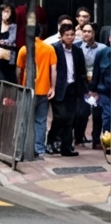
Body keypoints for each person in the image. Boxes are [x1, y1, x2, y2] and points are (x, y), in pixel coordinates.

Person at [18, 34, 57, 159]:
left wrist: (19, 85)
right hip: (44, 90)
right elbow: (54, 69)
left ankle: (23, 147)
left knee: (25, 119)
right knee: (40, 121)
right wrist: (52, 87)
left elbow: (19, 70)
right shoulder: (49, 49)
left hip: (28, 91)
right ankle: (39, 149)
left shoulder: (24, 49)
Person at [50, 22, 86, 156]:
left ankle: (66, 146)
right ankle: (51, 140)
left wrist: (84, 89)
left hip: (72, 87)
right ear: (61, 36)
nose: (70, 37)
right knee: (60, 116)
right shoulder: (55, 49)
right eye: (67, 35)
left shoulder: (77, 50)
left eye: (72, 35)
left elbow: (81, 70)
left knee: (71, 118)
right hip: (58, 88)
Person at [75, 22, 102, 145]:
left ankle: (96, 139)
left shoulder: (103, 49)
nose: (85, 34)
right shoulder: (77, 47)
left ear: (94, 33)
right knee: (82, 112)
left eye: (89, 31)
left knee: (98, 113)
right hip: (82, 84)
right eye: (84, 31)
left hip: (97, 84)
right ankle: (79, 137)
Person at [92, 32, 111, 151]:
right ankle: (107, 142)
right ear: (109, 39)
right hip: (105, 90)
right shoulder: (102, 53)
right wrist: (93, 90)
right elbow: (96, 73)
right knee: (107, 116)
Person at [0, 3, 18, 82]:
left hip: (8, 59)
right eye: (4, 11)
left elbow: (12, 40)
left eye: (8, 12)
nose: (5, 14)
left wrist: (2, 42)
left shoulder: (13, 26)